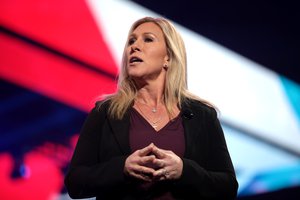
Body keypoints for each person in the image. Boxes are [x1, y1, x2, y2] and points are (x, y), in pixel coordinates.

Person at [64, 16, 238, 200]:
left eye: (147, 39)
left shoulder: (203, 116)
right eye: (131, 41)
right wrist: (121, 168)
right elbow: (75, 183)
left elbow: (227, 188)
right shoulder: (105, 112)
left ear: (168, 58)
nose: (134, 46)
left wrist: (184, 171)